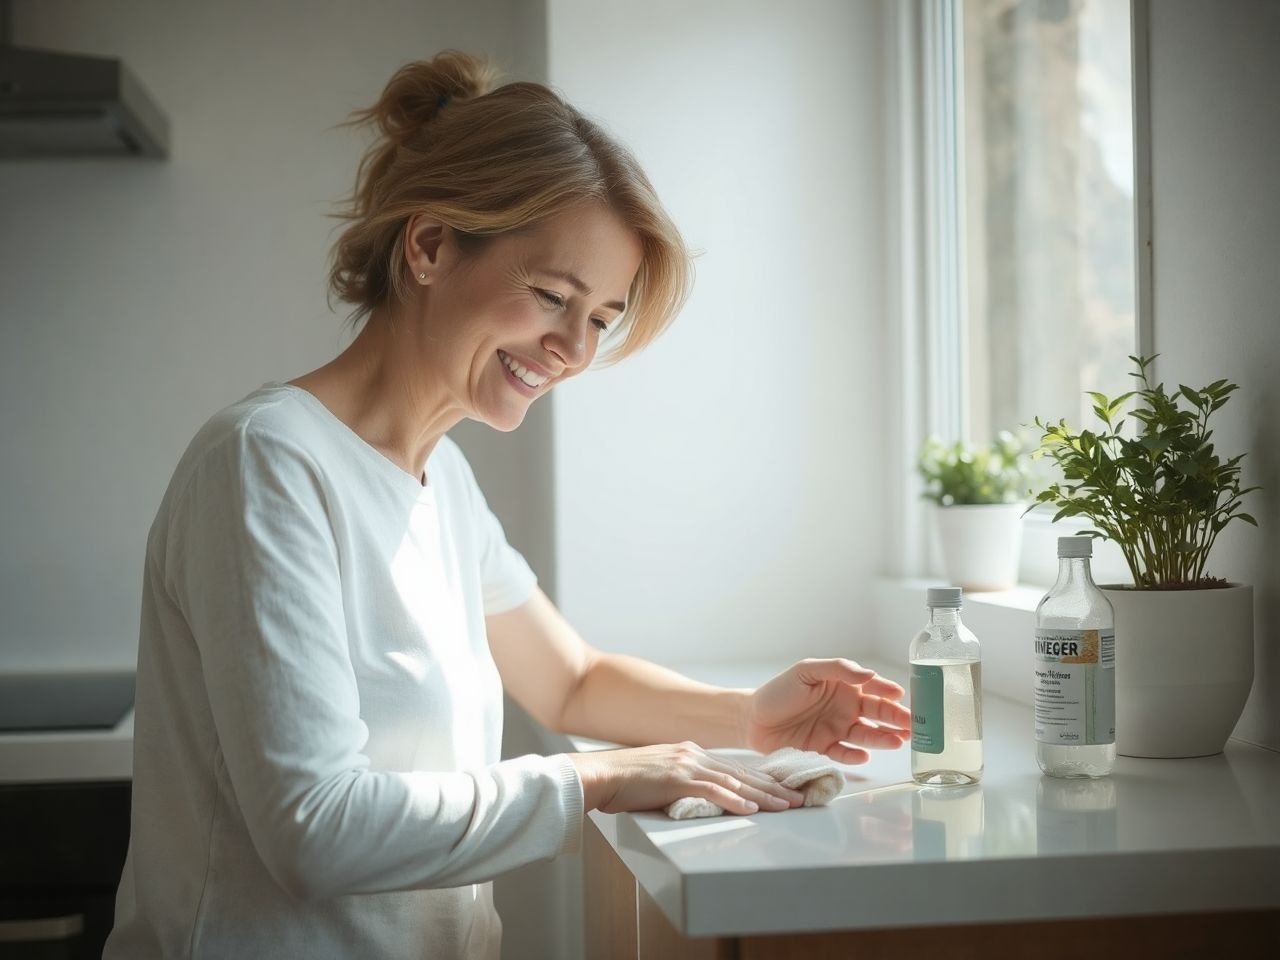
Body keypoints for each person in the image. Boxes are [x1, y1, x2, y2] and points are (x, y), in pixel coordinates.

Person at [102, 50, 912, 960]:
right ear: (431, 244)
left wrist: (746, 718)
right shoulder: (265, 463)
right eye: (552, 296)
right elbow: (313, 827)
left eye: (601, 317)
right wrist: (600, 780)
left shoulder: (440, 479)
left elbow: (569, 679)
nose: (572, 346)